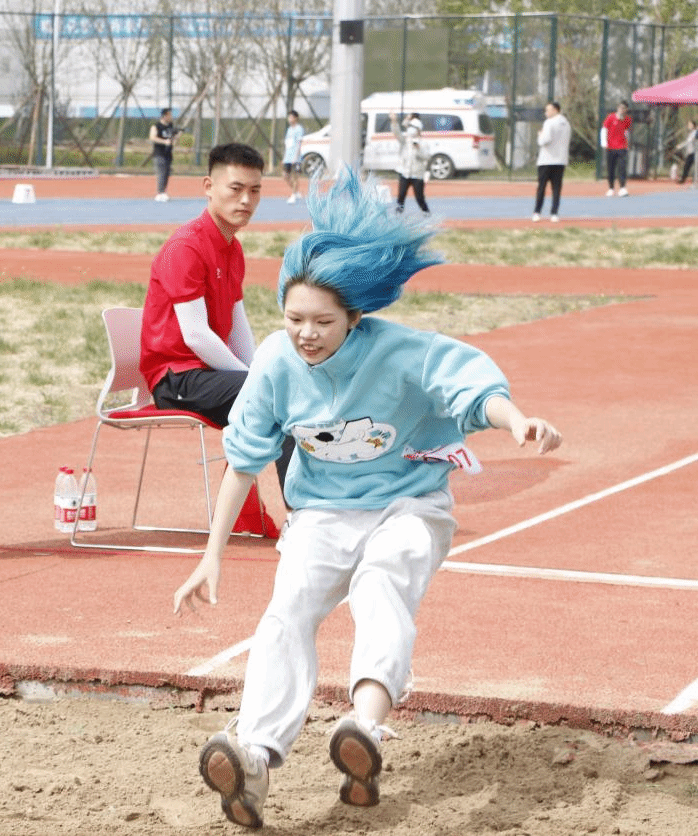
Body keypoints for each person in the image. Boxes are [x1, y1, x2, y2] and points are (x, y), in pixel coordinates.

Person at [173, 169, 563, 829]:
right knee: (286, 613)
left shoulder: (403, 352)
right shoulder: (275, 362)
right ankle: (255, 756)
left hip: (408, 504)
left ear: (356, 318)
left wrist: (516, 421)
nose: (306, 333)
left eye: (323, 321)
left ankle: (365, 729)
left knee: (382, 585)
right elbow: (243, 460)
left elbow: (470, 389)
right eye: (294, 318)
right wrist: (210, 556)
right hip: (321, 512)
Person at [140, 141, 293, 495]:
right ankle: (300, 512)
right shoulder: (186, 248)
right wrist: (253, 380)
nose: (246, 200)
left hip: (208, 373)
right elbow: (196, 335)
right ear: (209, 187)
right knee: (275, 398)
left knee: (288, 390)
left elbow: (238, 327)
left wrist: (258, 371)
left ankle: (309, 508)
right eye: (236, 189)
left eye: (255, 191)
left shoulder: (232, 248)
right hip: (177, 380)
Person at [533, 101, 571, 223]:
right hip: (560, 160)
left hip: (546, 160)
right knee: (556, 188)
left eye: (548, 110)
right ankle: (554, 213)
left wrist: (540, 135)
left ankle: (537, 212)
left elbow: (544, 140)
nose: (546, 113)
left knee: (541, 187)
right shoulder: (566, 123)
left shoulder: (549, 122)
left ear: (555, 110)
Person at [391, 112, 429, 215]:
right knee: (401, 196)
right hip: (405, 173)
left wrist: (418, 149)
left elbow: (426, 156)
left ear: (419, 130)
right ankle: (398, 214)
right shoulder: (405, 141)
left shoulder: (423, 143)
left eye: (415, 128)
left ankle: (426, 213)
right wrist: (394, 121)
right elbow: (397, 133)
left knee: (419, 197)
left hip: (417, 175)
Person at [601, 100, 631, 197]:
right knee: (611, 168)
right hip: (611, 147)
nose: (622, 110)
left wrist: (627, 144)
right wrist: (604, 142)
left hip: (622, 147)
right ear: (618, 108)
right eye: (620, 107)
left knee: (622, 168)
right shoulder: (610, 117)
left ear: (626, 110)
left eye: (624, 108)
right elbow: (604, 129)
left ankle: (622, 188)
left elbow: (626, 132)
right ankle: (611, 188)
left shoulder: (627, 119)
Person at [149, 108, 178, 202]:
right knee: (161, 172)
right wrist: (164, 142)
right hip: (159, 153)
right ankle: (160, 192)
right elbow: (152, 137)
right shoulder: (156, 126)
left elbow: (173, 138)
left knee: (166, 173)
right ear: (165, 116)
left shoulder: (170, 126)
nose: (171, 117)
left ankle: (163, 192)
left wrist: (175, 138)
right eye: (169, 115)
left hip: (168, 153)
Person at [282, 110, 304, 204]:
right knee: (285, 176)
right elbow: (287, 144)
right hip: (288, 157)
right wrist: (285, 156)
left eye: (291, 117)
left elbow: (299, 144)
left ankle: (293, 195)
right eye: (289, 117)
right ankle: (296, 191)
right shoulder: (289, 129)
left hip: (296, 157)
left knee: (295, 177)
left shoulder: (299, 129)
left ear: (296, 118)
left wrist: (296, 157)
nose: (289, 119)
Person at [674, 118, 696, 185]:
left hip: (694, 153)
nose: (688, 126)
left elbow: (688, 142)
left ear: (693, 125)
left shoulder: (695, 132)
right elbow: (688, 142)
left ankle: (685, 180)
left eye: (690, 124)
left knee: (690, 166)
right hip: (690, 153)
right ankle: (683, 179)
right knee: (686, 166)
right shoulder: (691, 133)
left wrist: (680, 146)